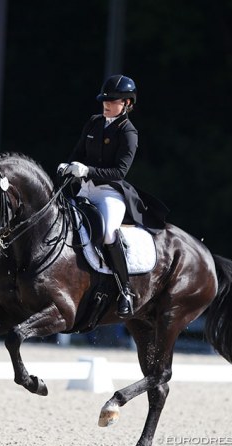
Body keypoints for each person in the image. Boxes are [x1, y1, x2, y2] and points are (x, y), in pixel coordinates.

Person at [58, 74, 168, 317]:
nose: (107, 104)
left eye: (114, 101)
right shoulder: (94, 123)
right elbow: (78, 152)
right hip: (84, 189)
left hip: (109, 193)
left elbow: (119, 172)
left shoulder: (129, 132)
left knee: (108, 233)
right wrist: (68, 166)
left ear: (127, 104)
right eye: (105, 100)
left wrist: (87, 170)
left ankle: (125, 289)